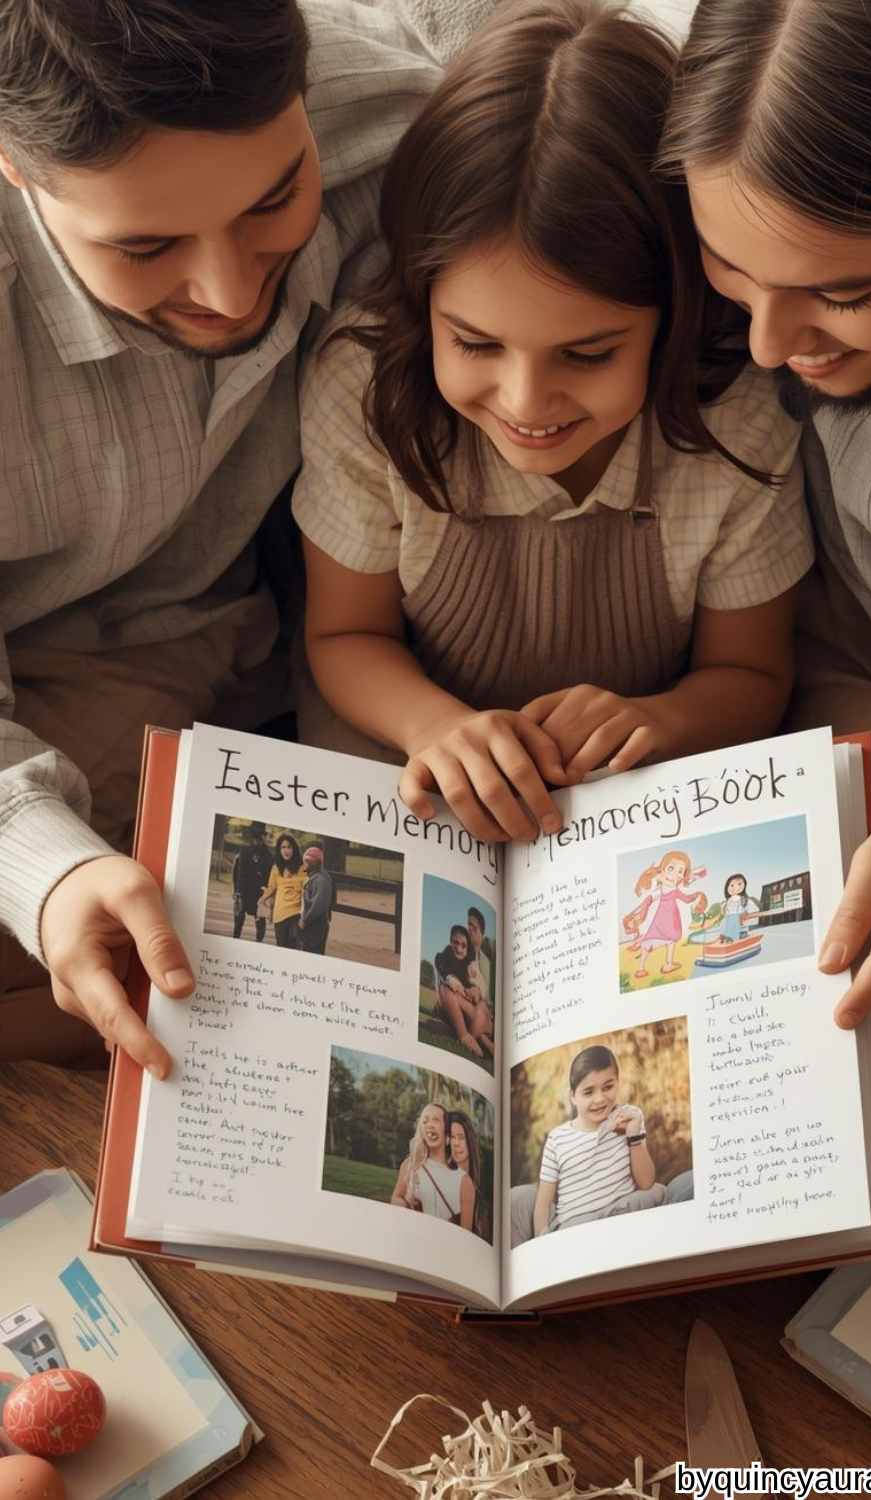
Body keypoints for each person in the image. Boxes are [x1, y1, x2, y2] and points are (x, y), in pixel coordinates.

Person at [0, 0, 449, 1075]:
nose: (231, 287)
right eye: (147, 246)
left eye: (273, 200)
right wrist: (48, 870)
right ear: (16, 167)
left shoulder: (392, 105)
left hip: (258, 641)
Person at [293, 0, 814, 848]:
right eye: (475, 343)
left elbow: (751, 672)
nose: (527, 403)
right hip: (400, 746)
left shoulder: (738, 421)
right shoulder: (365, 390)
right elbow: (344, 634)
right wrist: (436, 727)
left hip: (624, 799)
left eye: (589, 354)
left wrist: (666, 720)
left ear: (673, 316)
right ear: (424, 304)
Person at [664, 0, 871, 1124]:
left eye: (842, 295)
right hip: (835, 668)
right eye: (729, 266)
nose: (769, 347)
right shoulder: (729, 105)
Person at [509, 1044, 695, 1249]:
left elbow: (646, 1182)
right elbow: (543, 1203)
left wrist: (634, 1136)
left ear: (618, 1083)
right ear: (573, 1097)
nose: (600, 1099)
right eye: (588, 1092)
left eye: (608, 1087)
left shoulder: (628, 1116)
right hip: (578, 1223)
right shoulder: (557, 1139)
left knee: (655, 1191)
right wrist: (542, 1241)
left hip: (622, 1209)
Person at [622, 850, 707, 977]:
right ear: (662, 871)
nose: (674, 874)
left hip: (670, 921)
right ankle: (645, 968)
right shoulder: (659, 891)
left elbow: (686, 899)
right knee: (654, 942)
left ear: (682, 876)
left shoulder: (674, 890)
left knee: (665, 941)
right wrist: (640, 917)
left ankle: (663, 965)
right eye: (671, 868)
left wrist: (697, 895)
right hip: (661, 921)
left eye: (680, 871)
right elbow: (647, 901)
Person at [391, 1101, 474, 1229]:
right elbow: (395, 1198)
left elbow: (466, 1234)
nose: (429, 1125)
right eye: (425, 1121)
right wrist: (406, 1203)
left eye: (436, 1120)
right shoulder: (410, 1165)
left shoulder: (463, 1181)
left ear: (447, 1134)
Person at [434, 925, 494, 1058]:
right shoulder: (445, 956)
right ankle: (466, 1036)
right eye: (455, 943)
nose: (459, 948)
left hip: (476, 1013)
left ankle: (481, 1038)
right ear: (450, 942)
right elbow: (442, 967)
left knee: (480, 1008)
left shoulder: (472, 966)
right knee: (447, 990)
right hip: (455, 1010)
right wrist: (453, 981)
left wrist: (475, 991)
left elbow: (482, 996)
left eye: (463, 945)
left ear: (468, 949)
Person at [446, 1109, 490, 1241]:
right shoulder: (446, 1180)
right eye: (452, 1137)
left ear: (470, 1140)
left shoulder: (484, 1182)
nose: (456, 1143)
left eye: (461, 1137)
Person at [262, 835, 306, 949]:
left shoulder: (304, 868)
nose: (286, 850)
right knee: (281, 947)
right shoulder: (276, 868)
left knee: (294, 948)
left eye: (289, 847)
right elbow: (271, 889)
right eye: (283, 847)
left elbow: (306, 893)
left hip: (296, 915)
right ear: (279, 850)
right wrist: (265, 905)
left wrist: (303, 917)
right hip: (279, 916)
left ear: (294, 849)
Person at [231, 824, 273, 943]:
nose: (260, 839)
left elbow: (270, 877)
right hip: (243, 890)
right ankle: (235, 939)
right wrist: (236, 891)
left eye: (262, 837)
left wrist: (267, 896)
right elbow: (236, 873)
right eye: (259, 837)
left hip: (259, 894)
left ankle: (258, 943)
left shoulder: (269, 856)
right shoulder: (243, 852)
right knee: (238, 918)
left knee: (260, 921)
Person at [298, 845, 334, 955]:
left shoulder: (320, 880)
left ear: (313, 863)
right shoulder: (315, 877)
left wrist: (305, 920)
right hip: (313, 925)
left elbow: (318, 905)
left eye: (306, 861)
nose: (304, 864)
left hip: (315, 927)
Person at [717, 873, 760, 943]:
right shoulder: (728, 901)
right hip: (730, 920)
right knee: (724, 921)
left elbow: (752, 909)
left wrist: (746, 913)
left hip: (740, 920)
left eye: (739, 884)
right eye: (732, 885)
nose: (736, 887)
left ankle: (735, 936)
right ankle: (726, 935)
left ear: (744, 885)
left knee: (735, 919)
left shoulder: (743, 899)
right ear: (727, 887)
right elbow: (726, 911)